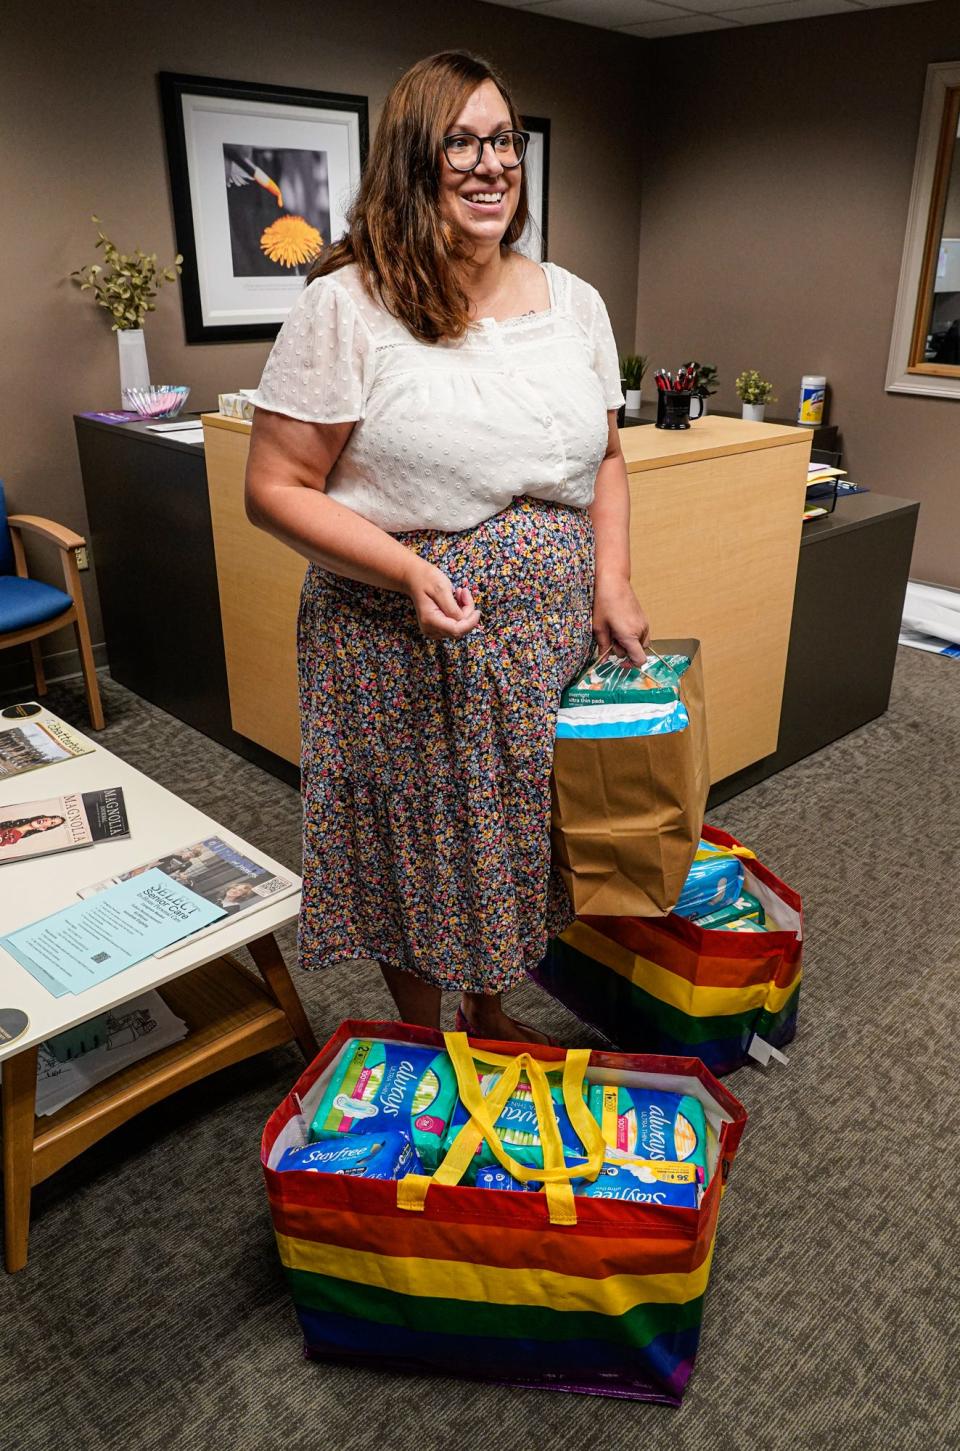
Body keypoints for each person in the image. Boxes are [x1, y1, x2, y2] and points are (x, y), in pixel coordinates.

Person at [245, 50, 650, 1042]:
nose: (488, 163)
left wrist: (615, 579)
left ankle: (495, 1006)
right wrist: (406, 566)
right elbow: (274, 488)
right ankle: (430, 1033)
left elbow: (602, 457)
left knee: (513, 840)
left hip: (545, 643)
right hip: (400, 642)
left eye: (503, 140)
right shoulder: (348, 305)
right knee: (419, 850)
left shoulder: (574, 301)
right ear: (413, 162)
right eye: (459, 142)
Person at [0, 813, 66, 848]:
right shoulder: (9, 825)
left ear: (43, 828)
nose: (48, 820)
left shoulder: (13, 837)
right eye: (52, 818)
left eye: (52, 823)